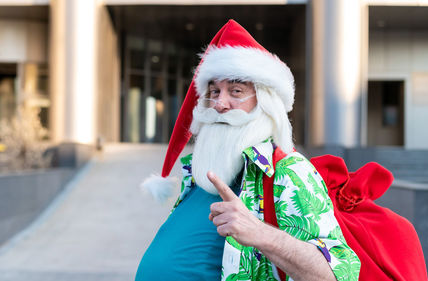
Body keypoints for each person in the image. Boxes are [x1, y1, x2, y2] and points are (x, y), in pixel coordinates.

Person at [136, 19, 360, 281]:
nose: (220, 104)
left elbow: (339, 274)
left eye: (236, 91)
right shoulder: (200, 173)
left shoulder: (288, 171)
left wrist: (261, 233)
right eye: (214, 91)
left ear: (264, 102)